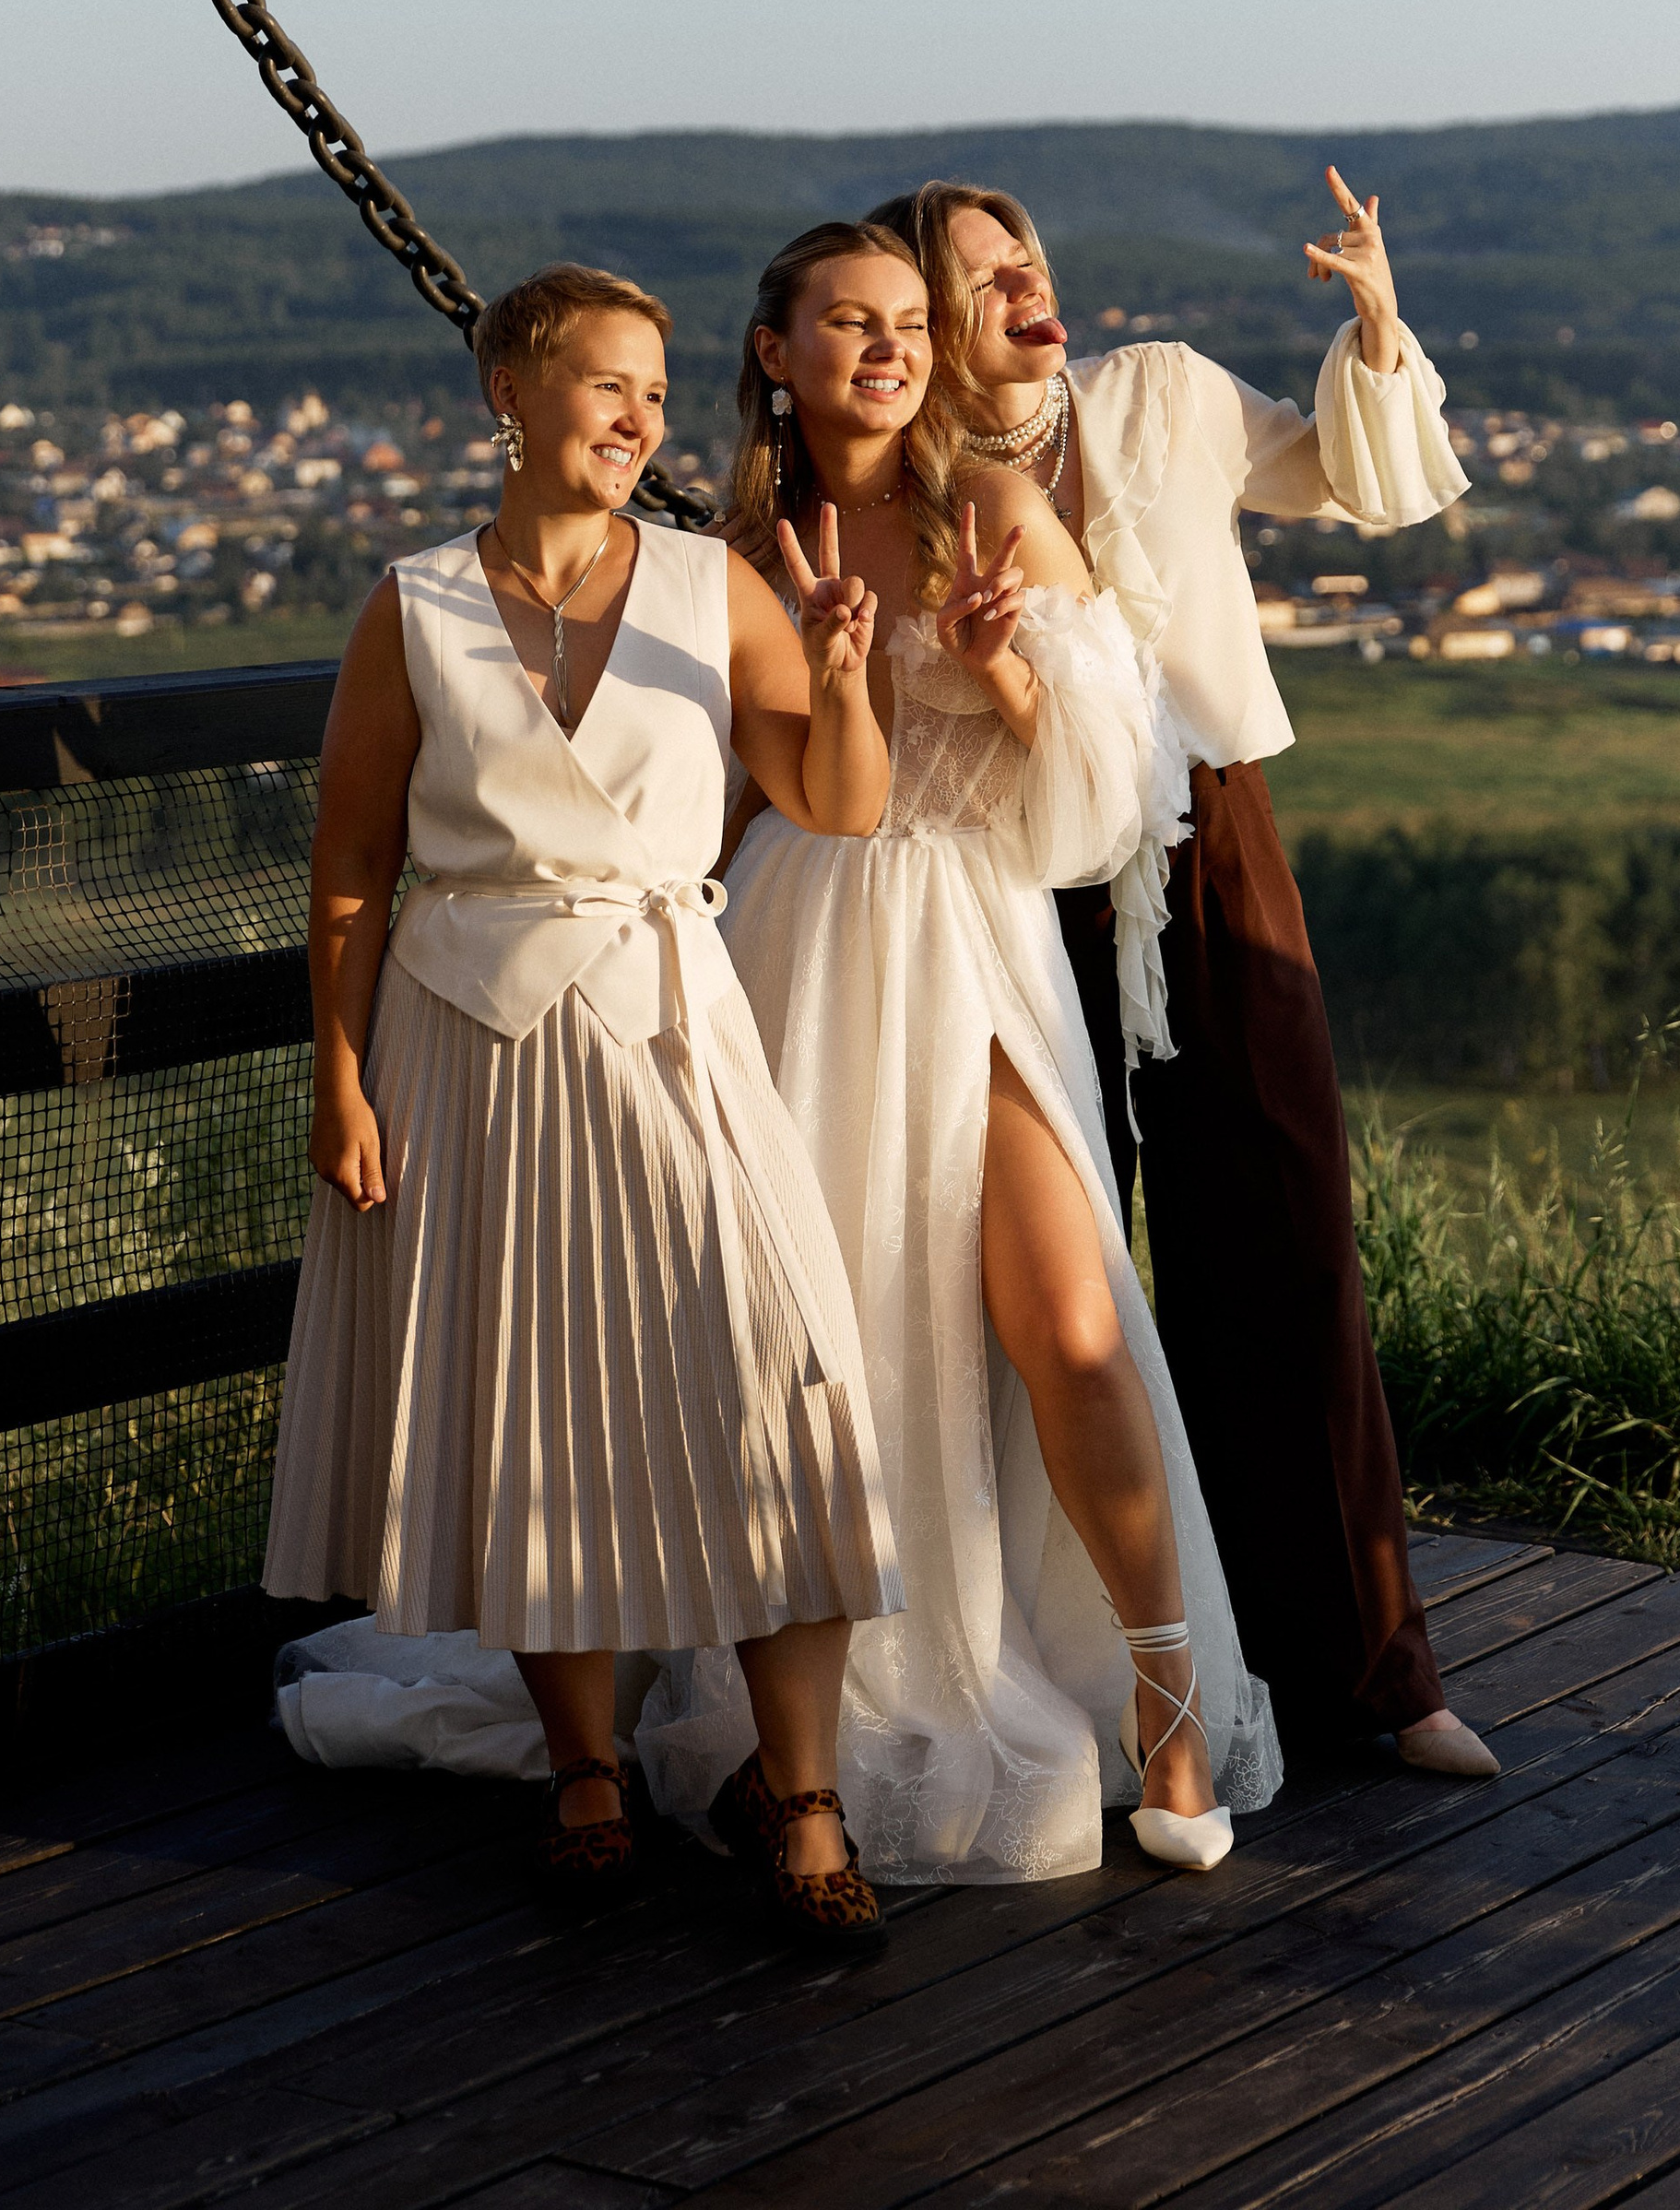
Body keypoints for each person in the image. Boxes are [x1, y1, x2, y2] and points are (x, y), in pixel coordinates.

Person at [260, 262, 907, 1943]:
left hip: (673, 1033)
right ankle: (585, 1773)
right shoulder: (413, 605)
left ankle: (806, 1792)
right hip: (466, 1046)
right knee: (528, 1401)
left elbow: (836, 806)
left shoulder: (716, 586)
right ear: (512, 397)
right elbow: (349, 860)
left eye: (652, 393)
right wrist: (335, 1073)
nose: (637, 421)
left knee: (780, 1381)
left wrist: (840, 672)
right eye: (606, 386)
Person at [645, 220, 1280, 1884]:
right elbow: (714, 791)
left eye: (911, 323)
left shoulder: (991, 511)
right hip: (791, 940)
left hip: (972, 942)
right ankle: (814, 1724)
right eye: (849, 323)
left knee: (1069, 1325)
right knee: (813, 1347)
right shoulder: (733, 542)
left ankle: (1167, 1701)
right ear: (772, 352)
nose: (891, 349)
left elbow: (1111, 801)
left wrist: (1002, 678)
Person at [871, 175, 1499, 1781]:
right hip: (1012, 881)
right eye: (985, 276)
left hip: (1208, 837)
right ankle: (1094, 1668)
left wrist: (1372, 312)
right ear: (927, 325)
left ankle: (1371, 1669)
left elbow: (1358, 484)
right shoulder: (911, 480)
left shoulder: (1161, 393)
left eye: (1034, 260)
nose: (1030, 288)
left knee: (1280, 1236)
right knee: (1049, 1285)